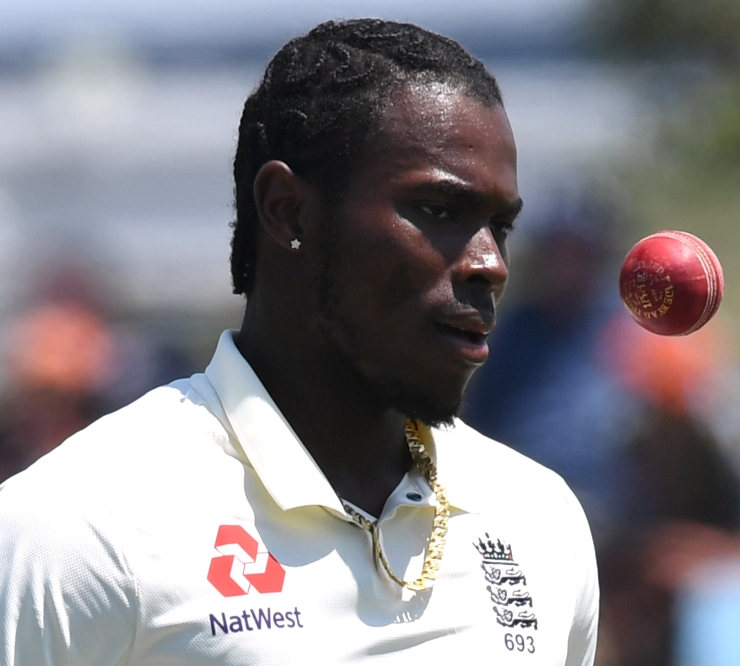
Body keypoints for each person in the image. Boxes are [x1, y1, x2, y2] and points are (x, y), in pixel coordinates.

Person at [0, 19, 599, 665]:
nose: (491, 264)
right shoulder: (78, 528)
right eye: (439, 211)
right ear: (288, 209)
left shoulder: (539, 519)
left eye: (500, 226)